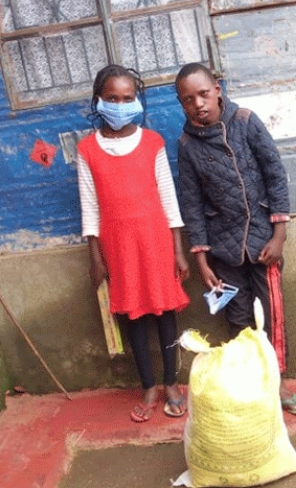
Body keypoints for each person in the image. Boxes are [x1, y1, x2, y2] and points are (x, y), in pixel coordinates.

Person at [175, 62, 296, 416]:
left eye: (203, 94)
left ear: (217, 89)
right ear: (182, 104)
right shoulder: (188, 145)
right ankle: (251, 383)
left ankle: (279, 383)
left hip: (263, 243)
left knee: (271, 315)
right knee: (237, 319)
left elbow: (275, 175)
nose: (198, 104)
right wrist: (202, 259)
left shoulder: (245, 122)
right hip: (223, 249)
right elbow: (191, 202)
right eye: (188, 100)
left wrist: (279, 234)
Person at [77, 64, 190, 423]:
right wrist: (95, 258)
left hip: (155, 240)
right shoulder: (87, 149)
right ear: (99, 100)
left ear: (137, 101)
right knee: (134, 318)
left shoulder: (152, 142)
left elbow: (168, 198)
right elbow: (89, 205)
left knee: (165, 314)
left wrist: (178, 250)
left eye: (128, 98)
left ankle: (171, 383)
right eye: (113, 98)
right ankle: (148, 387)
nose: (121, 104)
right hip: (117, 246)